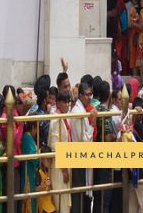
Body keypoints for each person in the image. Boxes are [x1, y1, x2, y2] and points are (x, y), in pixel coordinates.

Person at [70, 82, 97, 213]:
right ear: (80, 95)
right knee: (79, 197)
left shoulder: (82, 110)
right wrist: (92, 124)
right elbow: (84, 141)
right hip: (78, 158)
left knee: (84, 196)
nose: (90, 97)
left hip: (83, 159)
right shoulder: (78, 112)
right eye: (87, 95)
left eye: (91, 94)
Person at [49, 91, 72, 213]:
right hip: (59, 168)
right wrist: (64, 170)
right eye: (64, 102)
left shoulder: (64, 118)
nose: (67, 104)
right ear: (58, 103)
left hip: (66, 164)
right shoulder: (56, 119)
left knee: (65, 202)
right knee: (61, 203)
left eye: (68, 101)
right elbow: (55, 147)